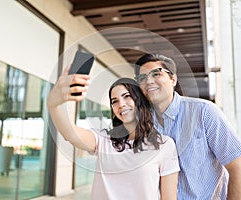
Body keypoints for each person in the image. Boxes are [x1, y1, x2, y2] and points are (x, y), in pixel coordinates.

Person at [47, 67, 180, 200]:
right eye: (114, 101)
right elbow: (70, 133)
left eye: (127, 96)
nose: (121, 105)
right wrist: (54, 105)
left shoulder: (164, 145)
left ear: (139, 100)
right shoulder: (104, 140)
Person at [134, 53, 241, 200]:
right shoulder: (143, 125)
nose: (149, 81)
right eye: (142, 78)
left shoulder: (204, 112)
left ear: (173, 79)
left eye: (156, 74)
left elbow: (238, 170)